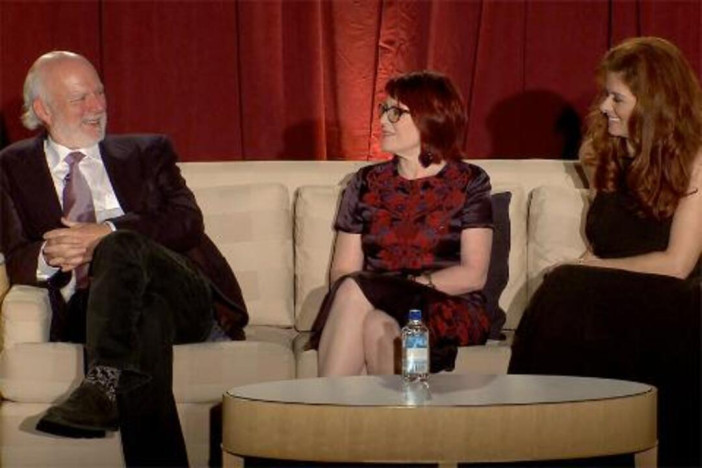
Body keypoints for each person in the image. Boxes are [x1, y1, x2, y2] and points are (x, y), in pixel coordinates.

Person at [0, 51, 248, 466]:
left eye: (99, 93)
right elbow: (15, 255)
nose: (97, 106)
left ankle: (100, 384)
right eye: (80, 99)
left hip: (182, 295)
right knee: (144, 318)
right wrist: (50, 254)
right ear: (43, 110)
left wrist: (107, 233)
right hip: (92, 310)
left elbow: (187, 221)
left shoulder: (148, 151)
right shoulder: (11, 166)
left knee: (118, 244)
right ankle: (108, 383)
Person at [509, 37, 701, 467]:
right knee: (564, 289)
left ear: (654, 104)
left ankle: (529, 443)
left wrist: (594, 270)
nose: (605, 106)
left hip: (678, 299)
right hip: (619, 297)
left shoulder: (696, 162)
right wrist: (588, 269)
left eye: (618, 98)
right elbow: (606, 238)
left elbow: (677, 264)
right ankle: (543, 442)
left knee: (566, 285)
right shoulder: (601, 154)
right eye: (606, 94)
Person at [310, 70, 503, 376]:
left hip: (445, 303)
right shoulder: (365, 182)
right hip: (372, 304)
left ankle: (324, 404)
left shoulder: (469, 181)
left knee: (356, 291)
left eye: (395, 112)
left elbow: (473, 275)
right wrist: (380, 297)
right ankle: (396, 406)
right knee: (375, 323)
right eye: (383, 110)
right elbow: (343, 270)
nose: (382, 120)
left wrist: (400, 289)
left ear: (431, 117)